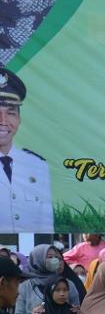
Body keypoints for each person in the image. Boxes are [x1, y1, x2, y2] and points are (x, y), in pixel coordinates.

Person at [0, 69, 52, 233]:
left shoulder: (37, 166)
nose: (3, 121)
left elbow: (46, 224)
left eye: (11, 113)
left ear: (19, 119)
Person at [15, 244, 82, 314]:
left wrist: (77, 313)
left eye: (56, 257)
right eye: (50, 257)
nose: (54, 260)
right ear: (37, 260)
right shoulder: (25, 286)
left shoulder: (68, 284)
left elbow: (77, 312)